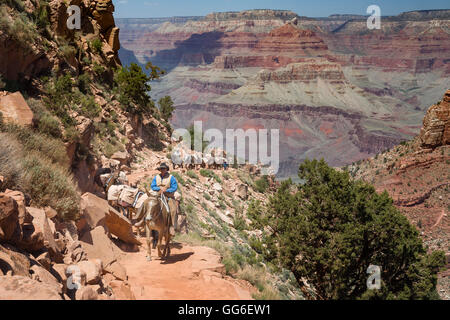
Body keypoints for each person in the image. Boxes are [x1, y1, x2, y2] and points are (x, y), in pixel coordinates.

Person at [149, 163, 181, 235]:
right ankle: (143, 219)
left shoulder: (171, 177)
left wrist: (166, 190)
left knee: (172, 209)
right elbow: (153, 186)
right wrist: (159, 188)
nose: (162, 170)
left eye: (164, 168)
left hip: (168, 194)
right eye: (161, 169)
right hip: (157, 192)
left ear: (166, 169)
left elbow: (174, 187)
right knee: (147, 201)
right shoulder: (156, 177)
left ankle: (172, 227)